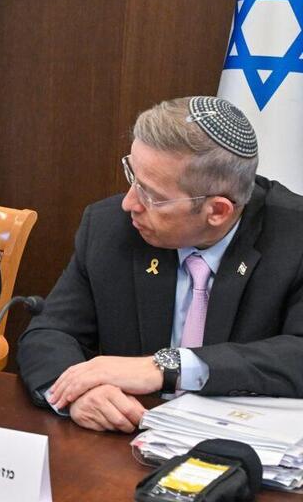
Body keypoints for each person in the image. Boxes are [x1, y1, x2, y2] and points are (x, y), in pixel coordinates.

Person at [18, 96, 303, 433]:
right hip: (129, 441)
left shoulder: (293, 238)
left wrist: (168, 367)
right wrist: (78, 394)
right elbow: (50, 333)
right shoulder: (109, 226)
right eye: (132, 177)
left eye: (152, 195)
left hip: (247, 446)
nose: (129, 203)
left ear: (218, 211)